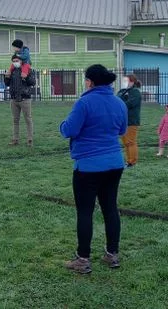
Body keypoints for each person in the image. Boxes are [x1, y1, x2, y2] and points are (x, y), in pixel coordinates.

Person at [60, 64, 127, 274]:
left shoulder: (84, 102)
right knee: (110, 208)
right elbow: (122, 129)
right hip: (114, 163)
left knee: (85, 212)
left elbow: (68, 130)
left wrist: (63, 124)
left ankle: (82, 259)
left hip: (88, 166)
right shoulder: (119, 102)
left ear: (90, 81)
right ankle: (112, 254)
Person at [4, 54, 36, 146]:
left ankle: (30, 140)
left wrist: (26, 77)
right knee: (15, 120)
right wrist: (7, 76)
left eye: (17, 61)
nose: (15, 63)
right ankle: (15, 140)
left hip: (25, 98)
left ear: (21, 61)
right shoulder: (12, 71)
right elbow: (7, 84)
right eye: (13, 61)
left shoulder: (28, 69)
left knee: (28, 119)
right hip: (14, 99)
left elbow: (33, 82)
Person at [116, 74, 142, 167]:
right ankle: (128, 160)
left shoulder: (135, 92)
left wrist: (119, 104)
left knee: (130, 142)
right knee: (126, 142)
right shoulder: (122, 91)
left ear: (132, 82)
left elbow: (129, 103)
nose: (125, 82)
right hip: (123, 121)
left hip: (131, 121)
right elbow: (117, 100)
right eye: (124, 80)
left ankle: (132, 161)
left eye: (127, 81)